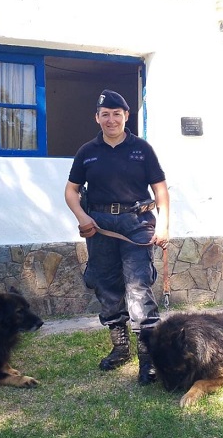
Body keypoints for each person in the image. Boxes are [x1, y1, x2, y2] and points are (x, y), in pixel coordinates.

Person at [65, 89, 170, 385]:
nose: (111, 120)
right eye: (105, 115)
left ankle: (148, 358)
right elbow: (71, 190)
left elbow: (160, 189)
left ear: (126, 116)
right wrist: (82, 217)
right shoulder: (87, 151)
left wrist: (163, 225)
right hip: (100, 225)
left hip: (136, 223)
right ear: (97, 118)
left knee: (138, 286)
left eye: (116, 114)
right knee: (106, 285)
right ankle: (121, 348)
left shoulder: (142, 149)